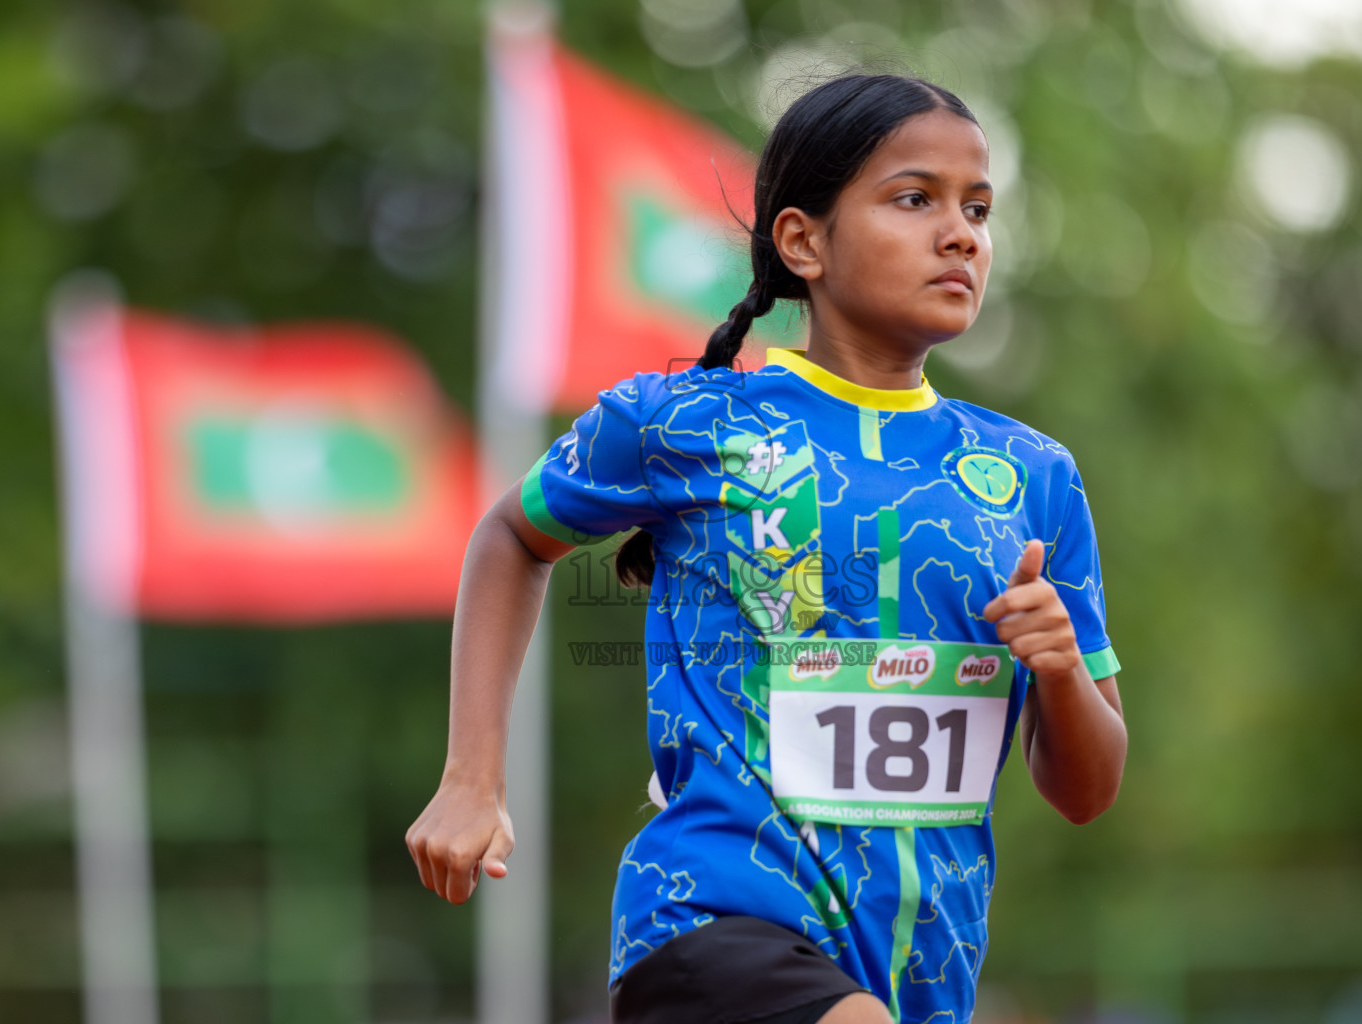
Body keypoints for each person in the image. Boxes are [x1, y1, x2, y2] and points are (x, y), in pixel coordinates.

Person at [406, 73, 1127, 1024]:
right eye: (916, 199)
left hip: (923, 979)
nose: (961, 234)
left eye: (979, 209)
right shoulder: (686, 423)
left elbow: (1086, 790)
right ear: (802, 241)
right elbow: (511, 533)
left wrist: (1062, 670)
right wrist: (471, 778)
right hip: (707, 928)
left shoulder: (1034, 476)